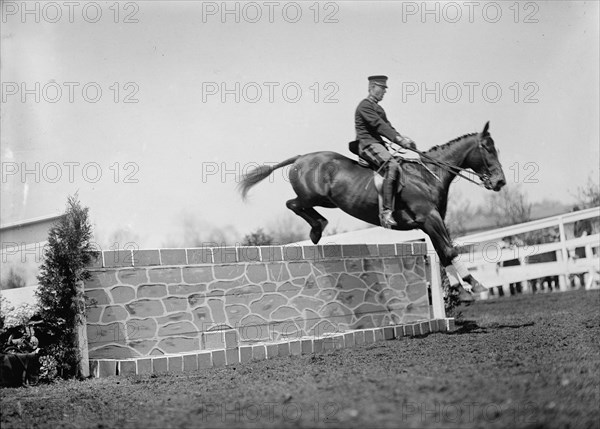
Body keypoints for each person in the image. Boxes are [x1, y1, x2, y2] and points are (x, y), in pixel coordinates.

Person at [355, 75, 417, 228]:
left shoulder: (378, 108)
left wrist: (404, 140)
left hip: (377, 145)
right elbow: (378, 126)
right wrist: (398, 140)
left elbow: (387, 126)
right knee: (392, 166)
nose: (384, 91)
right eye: (382, 88)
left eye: (385, 89)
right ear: (372, 87)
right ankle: (386, 212)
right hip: (367, 144)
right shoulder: (365, 106)